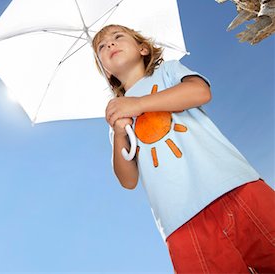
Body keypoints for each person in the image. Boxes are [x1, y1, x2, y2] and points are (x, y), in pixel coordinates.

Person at [92, 24, 275, 274]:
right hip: (179, 220)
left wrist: (139, 104)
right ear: (106, 71)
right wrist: (120, 132)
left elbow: (200, 92)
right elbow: (128, 179)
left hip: (233, 185)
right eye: (101, 47)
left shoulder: (168, 71)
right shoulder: (116, 115)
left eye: (117, 37)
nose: (110, 44)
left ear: (143, 49)